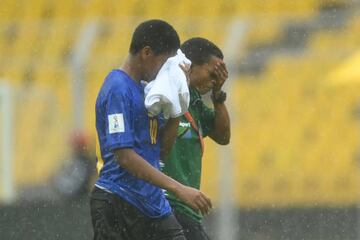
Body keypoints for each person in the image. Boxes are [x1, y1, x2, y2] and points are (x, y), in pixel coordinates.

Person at [90, 20, 212, 240]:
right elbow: (125, 157)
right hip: (118, 200)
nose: (165, 70)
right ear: (147, 53)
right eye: (164, 63)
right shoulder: (118, 88)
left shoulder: (149, 92)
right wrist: (179, 188)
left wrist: (178, 102)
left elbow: (161, 152)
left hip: (152, 203)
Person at [162, 37, 231, 240]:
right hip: (166, 205)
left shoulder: (197, 103)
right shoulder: (165, 95)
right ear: (190, 67)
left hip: (187, 209)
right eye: (212, 74)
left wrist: (217, 93)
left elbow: (224, 136)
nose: (214, 80)